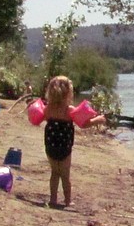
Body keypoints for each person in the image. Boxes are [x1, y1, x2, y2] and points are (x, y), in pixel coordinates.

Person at [42, 76, 106, 208]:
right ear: (68, 94)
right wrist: (98, 119)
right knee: (65, 175)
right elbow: (83, 124)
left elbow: (40, 117)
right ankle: (67, 201)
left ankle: (53, 199)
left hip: (50, 146)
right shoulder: (69, 110)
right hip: (65, 147)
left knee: (55, 173)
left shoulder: (48, 109)